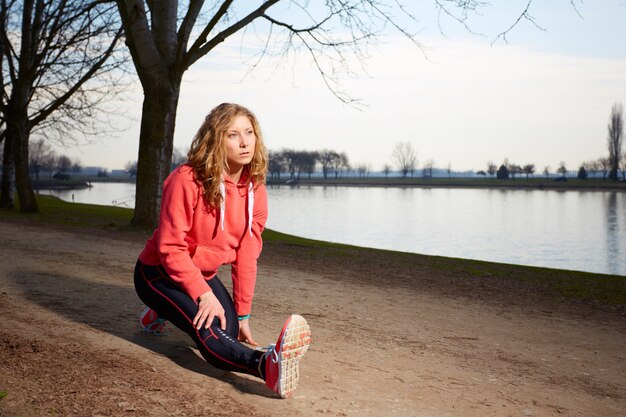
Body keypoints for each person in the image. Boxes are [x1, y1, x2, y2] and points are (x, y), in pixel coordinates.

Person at [133, 103, 311, 399]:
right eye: (233, 134)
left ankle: (162, 311)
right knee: (210, 330)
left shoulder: (255, 189)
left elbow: (247, 255)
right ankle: (267, 365)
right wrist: (203, 295)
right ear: (216, 139)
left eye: (249, 133)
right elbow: (170, 247)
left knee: (227, 326)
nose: (244, 142)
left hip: (201, 273)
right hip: (158, 272)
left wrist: (242, 315)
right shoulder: (186, 180)